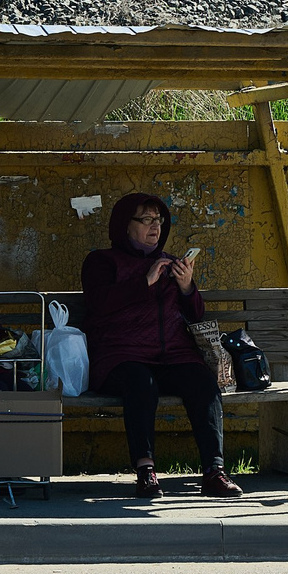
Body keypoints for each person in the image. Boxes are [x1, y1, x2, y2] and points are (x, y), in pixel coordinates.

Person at [81, 192, 241, 501]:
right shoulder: (101, 261)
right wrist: (144, 282)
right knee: (141, 383)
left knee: (203, 382)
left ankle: (214, 472)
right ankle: (146, 472)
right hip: (122, 355)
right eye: (146, 220)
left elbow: (196, 315)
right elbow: (99, 304)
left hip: (173, 355)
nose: (155, 227)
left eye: (158, 220)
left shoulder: (169, 263)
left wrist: (187, 287)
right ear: (124, 225)